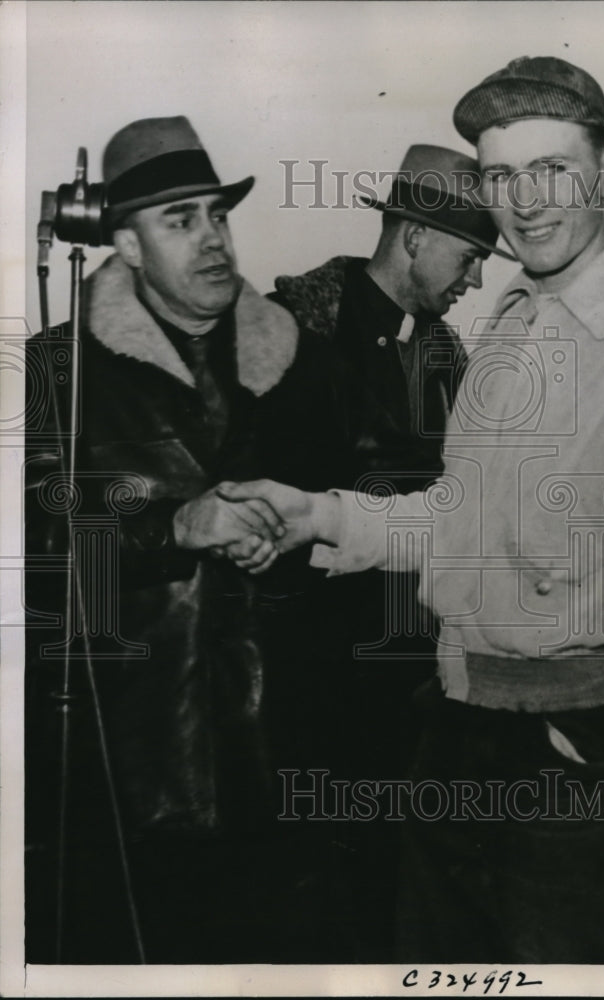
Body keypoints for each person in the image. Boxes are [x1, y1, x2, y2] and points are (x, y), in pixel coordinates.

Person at [219, 57, 604, 964]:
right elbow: (460, 520)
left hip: (582, 754)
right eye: (499, 177)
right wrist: (317, 516)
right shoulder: (513, 323)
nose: (523, 202)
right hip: (455, 733)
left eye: (550, 172)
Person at [24, 116, 350, 963]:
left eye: (218, 215)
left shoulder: (304, 365)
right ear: (125, 247)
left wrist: (288, 535)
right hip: (132, 773)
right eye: (180, 220)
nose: (213, 241)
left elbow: (372, 501)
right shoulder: (58, 374)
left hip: (293, 759)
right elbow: (34, 552)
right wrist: (175, 526)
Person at [266, 144, 511, 959]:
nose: (474, 281)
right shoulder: (286, 332)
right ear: (412, 235)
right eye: (469, 256)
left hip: (417, 681)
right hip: (306, 678)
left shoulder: (454, 364)